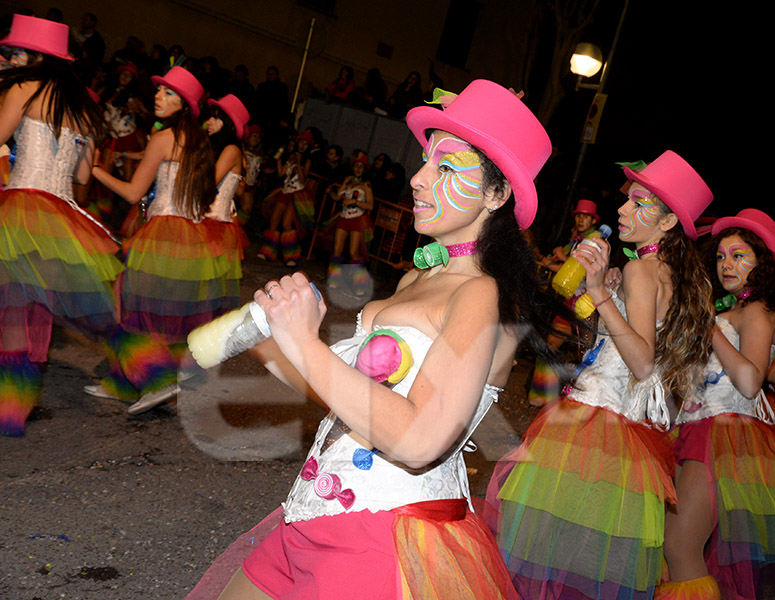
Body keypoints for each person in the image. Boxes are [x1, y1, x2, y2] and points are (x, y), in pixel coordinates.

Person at [187, 79, 559, 600]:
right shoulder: (416, 279)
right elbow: (347, 401)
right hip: (312, 513)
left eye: (446, 168)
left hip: (382, 538)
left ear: (497, 194)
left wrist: (309, 346)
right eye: (426, 160)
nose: (419, 178)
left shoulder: (480, 295)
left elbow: (418, 441)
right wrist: (279, 337)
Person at [486, 151, 716, 599]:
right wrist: (603, 297)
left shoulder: (641, 269)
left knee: (544, 552)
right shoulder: (665, 271)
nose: (625, 210)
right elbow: (611, 352)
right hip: (627, 433)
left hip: (596, 427)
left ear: (668, 222)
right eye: (628, 200)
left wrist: (599, 293)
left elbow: (643, 362)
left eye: (640, 205)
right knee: (584, 563)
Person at [660, 208, 775, 600]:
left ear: (763, 264)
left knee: (679, 546)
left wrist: (709, 328)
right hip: (700, 428)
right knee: (686, 548)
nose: (727, 264)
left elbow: (750, 380)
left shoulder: (755, 310)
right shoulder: (738, 308)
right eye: (722, 256)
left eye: (740, 256)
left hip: (721, 435)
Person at [0, 15, 119, 436]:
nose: (9, 58)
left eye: (15, 51)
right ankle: (12, 409)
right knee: (34, 311)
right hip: (60, 217)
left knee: (13, 308)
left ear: (35, 56)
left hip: (21, 206)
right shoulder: (82, 106)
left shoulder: (23, 88)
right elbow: (84, 177)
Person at [84, 66, 219, 415]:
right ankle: (123, 383)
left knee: (127, 307)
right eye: (159, 91)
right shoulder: (201, 142)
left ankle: (156, 380)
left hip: (162, 234)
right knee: (157, 314)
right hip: (189, 239)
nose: (158, 97)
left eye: (168, 93)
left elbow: (133, 193)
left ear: (184, 105)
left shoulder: (163, 139)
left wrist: (96, 170)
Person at [528, 198, 602, 407]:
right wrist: (548, 259)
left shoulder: (595, 240)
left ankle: (579, 402)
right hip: (570, 303)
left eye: (585, 216)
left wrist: (561, 257)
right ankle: (544, 395)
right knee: (550, 347)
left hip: (587, 305)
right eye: (578, 216)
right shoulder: (575, 242)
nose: (580, 220)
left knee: (588, 356)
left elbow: (577, 271)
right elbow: (562, 271)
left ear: (593, 221)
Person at [203, 94, 251, 315]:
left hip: (215, 221)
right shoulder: (217, 147)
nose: (209, 122)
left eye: (216, 118)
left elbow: (209, 183)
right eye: (209, 117)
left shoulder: (231, 150)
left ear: (229, 124)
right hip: (205, 217)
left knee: (206, 284)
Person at [258, 131, 315, 267]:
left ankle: (292, 256)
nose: (302, 145)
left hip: (297, 193)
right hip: (284, 191)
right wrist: (279, 159)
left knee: (286, 224)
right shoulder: (290, 157)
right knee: (273, 222)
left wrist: (300, 163)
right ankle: (268, 252)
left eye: (305, 144)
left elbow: (303, 179)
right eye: (301, 142)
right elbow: (281, 173)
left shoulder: (307, 161)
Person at [326, 153, 375, 296]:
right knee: (337, 249)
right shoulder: (348, 180)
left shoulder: (366, 185)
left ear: (365, 169)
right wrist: (331, 193)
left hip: (357, 219)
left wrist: (355, 202)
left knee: (354, 252)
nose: (358, 169)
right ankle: (335, 280)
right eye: (356, 166)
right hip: (343, 217)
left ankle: (360, 285)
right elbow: (339, 197)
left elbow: (370, 206)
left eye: (361, 166)